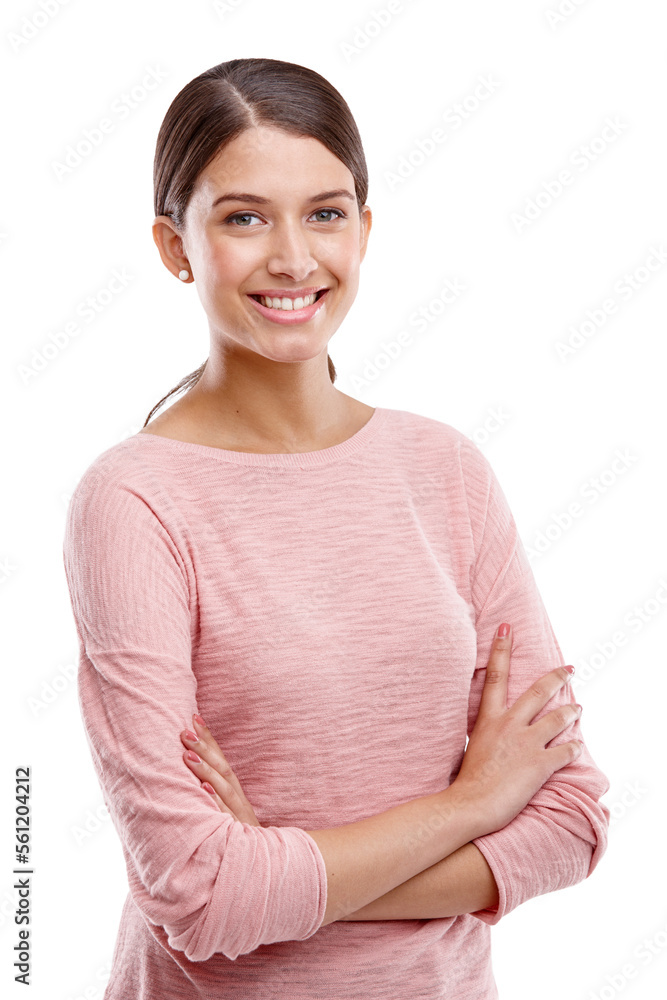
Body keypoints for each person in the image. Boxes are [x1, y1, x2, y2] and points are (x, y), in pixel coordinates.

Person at [62, 57, 610, 1000]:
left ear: (364, 228)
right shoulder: (133, 501)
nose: (292, 257)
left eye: (324, 212)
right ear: (173, 245)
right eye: (243, 217)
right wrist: (473, 804)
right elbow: (195, 895)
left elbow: (571, 820)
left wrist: (278, 874)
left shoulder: (445, 472)